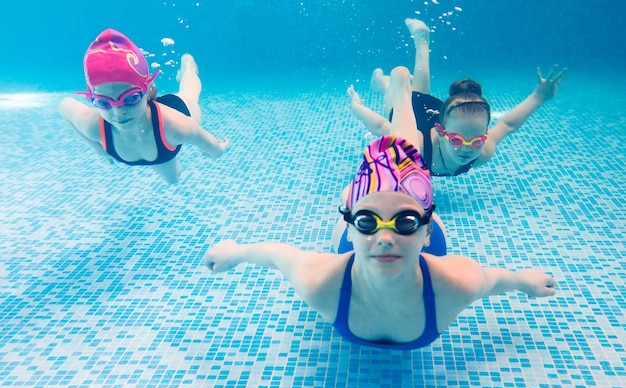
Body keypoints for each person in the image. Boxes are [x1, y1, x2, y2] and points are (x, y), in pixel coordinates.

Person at [203, 68, 556, 350]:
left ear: (427, 230)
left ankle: (400, 95)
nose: (385, 238)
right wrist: (236, 253)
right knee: (401, 161)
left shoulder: (455, 283)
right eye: (367, 222)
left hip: (414, 226)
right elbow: (277, 255)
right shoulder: (321, 283)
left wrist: (523, 281)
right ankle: (400, 95)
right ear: (353, 227)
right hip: (388, 217)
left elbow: (495, 280)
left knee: (402, 159)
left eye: (404, 223)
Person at [348, 17, 567, 176]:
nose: (466, 148)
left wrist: (538, 98)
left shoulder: (482, 151)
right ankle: (394, 81)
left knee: (420, 91)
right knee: (398, 100)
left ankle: (418, 44)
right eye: (456, 140)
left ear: (484, 136)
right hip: (413, 114)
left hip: (437, 110)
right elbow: (380, 127)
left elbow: (508, 124)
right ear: (441, 132)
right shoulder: (418, 145)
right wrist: (356, 107)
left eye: (477, 141)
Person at [59, 28, 229, 184]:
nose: (119, 112)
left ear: (147, 90)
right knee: (173, 179)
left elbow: (215, 149)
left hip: (167, 121)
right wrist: (96, 147)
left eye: (130, 98)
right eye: (103, 102)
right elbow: (64, 106)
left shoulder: (179, 126)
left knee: (189, 93)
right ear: (92, 99)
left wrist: (217, 150)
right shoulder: (93, 126)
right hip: (160, 141)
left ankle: (189, 68)